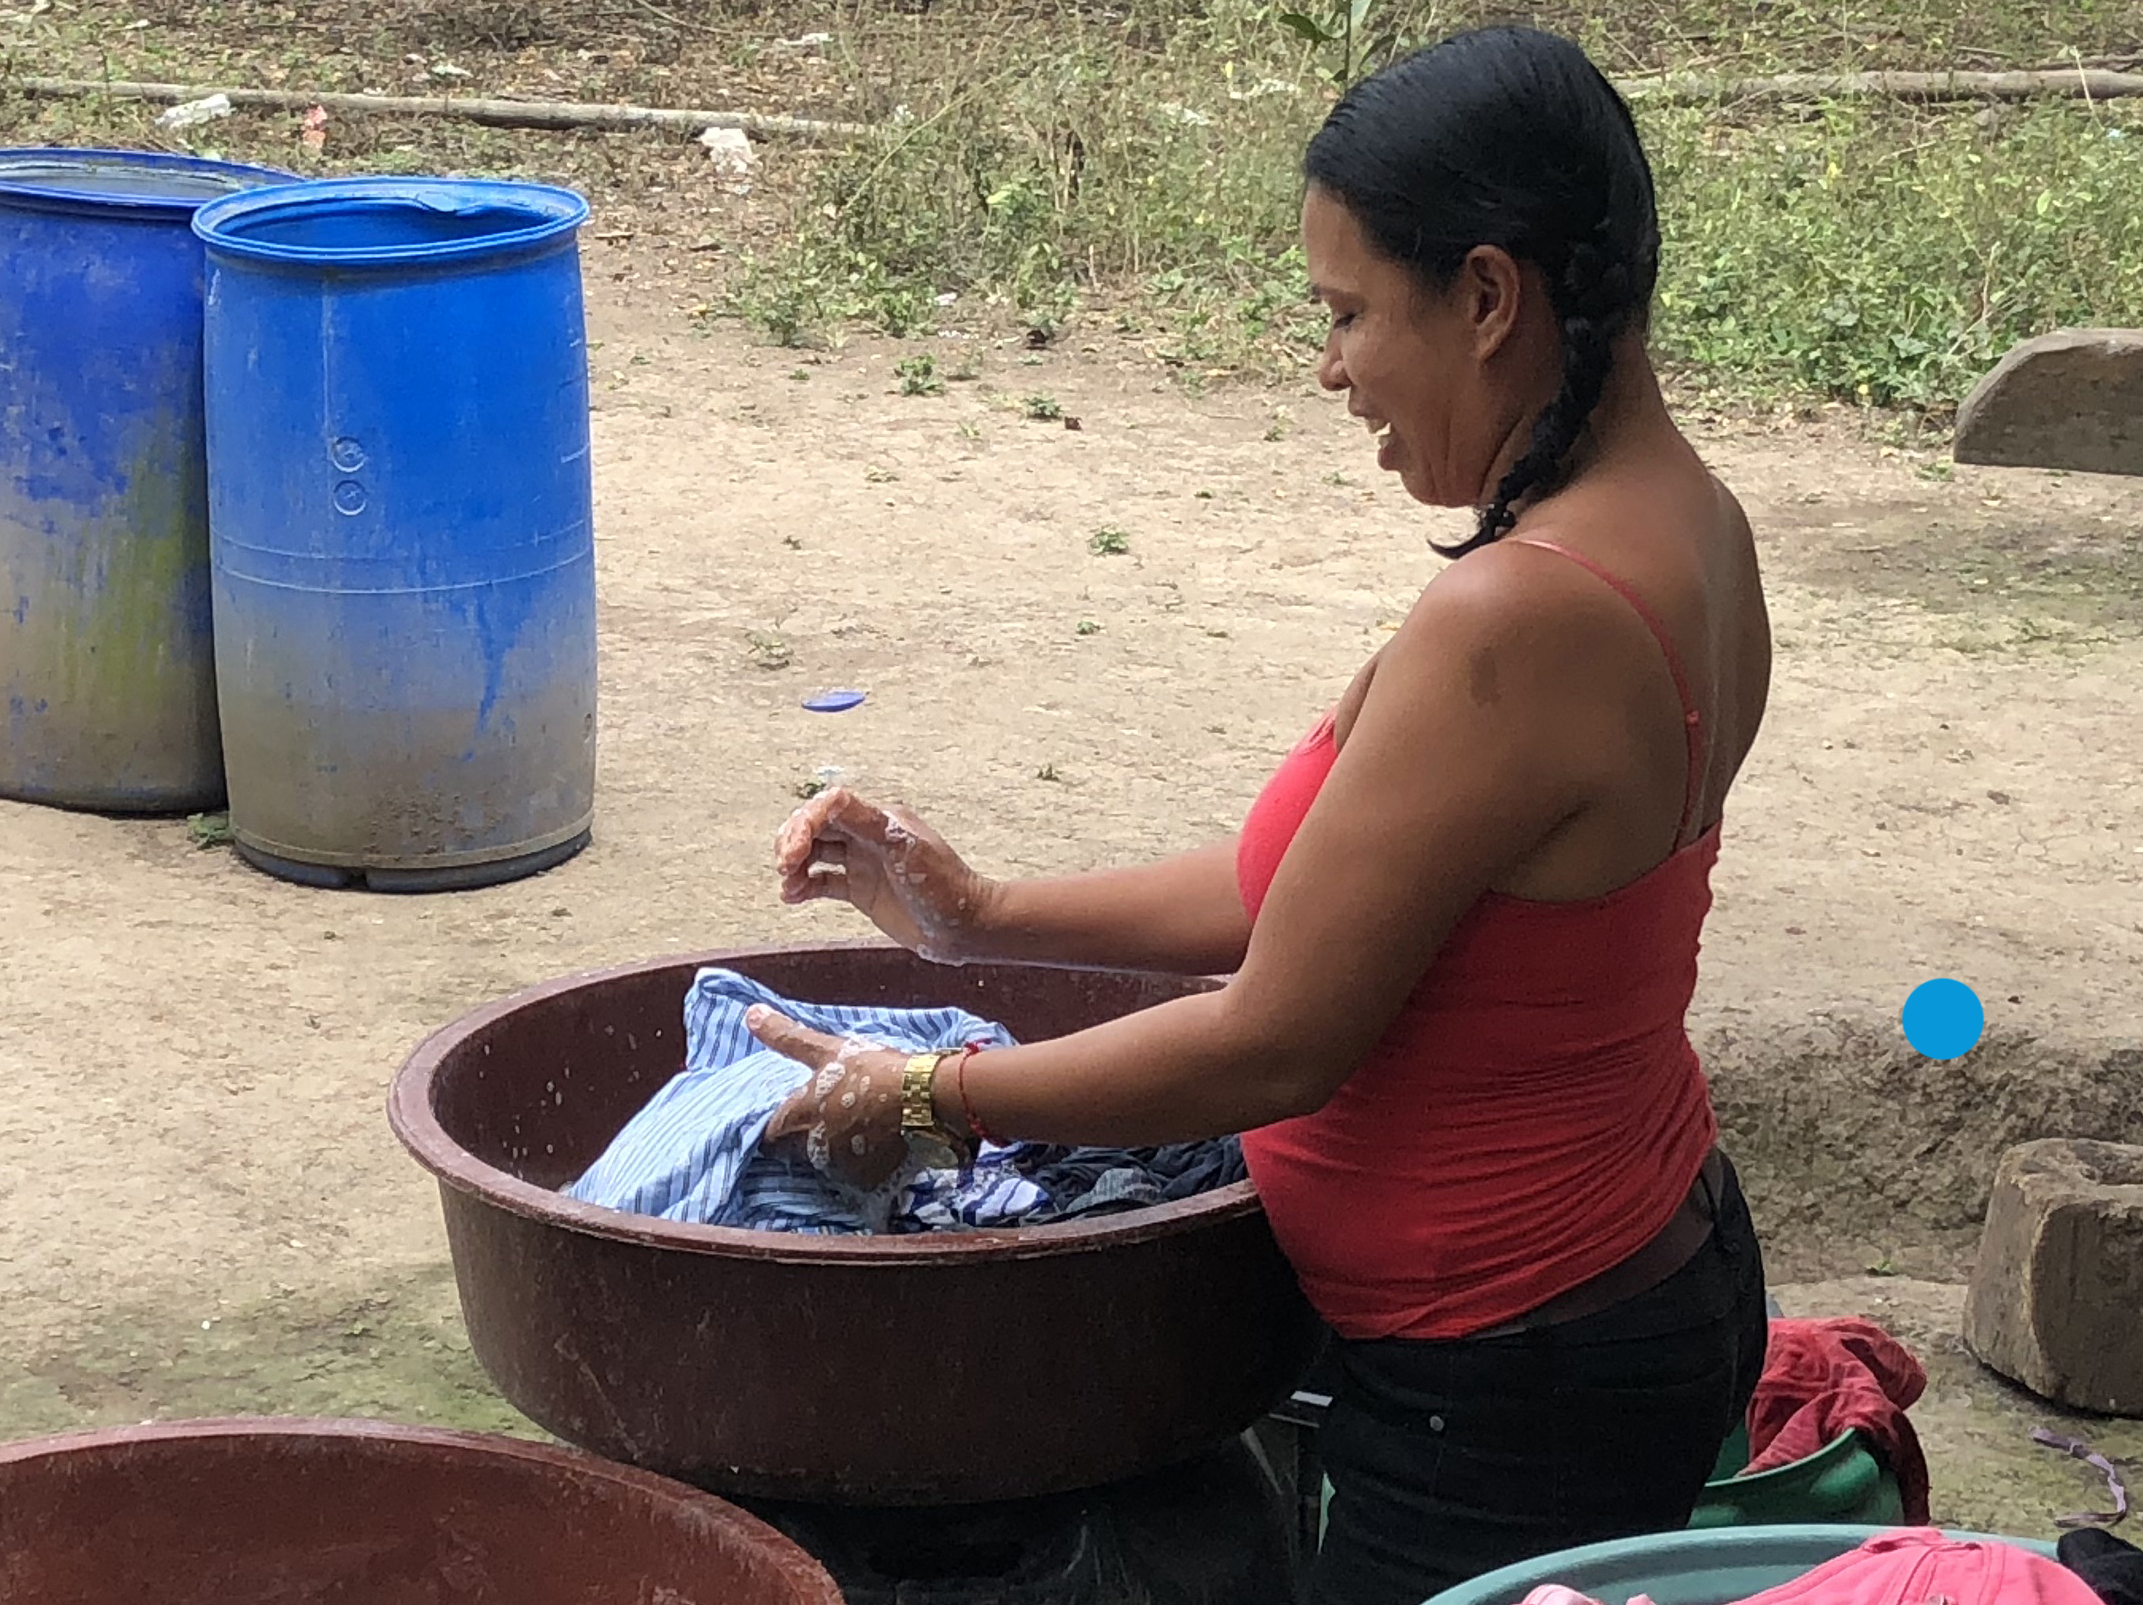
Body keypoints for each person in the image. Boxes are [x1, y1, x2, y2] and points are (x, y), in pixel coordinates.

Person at [753, 24, 1773, 1605]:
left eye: (1350, 313)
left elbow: (1277, 1038)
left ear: (1488, 297)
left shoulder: (1523, 616)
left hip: (1512, 1372)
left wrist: (935, 1095)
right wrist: (985, 915)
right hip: (1620, 1272)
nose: (1331, 369)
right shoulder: (1695, 525)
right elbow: (1300, 892)